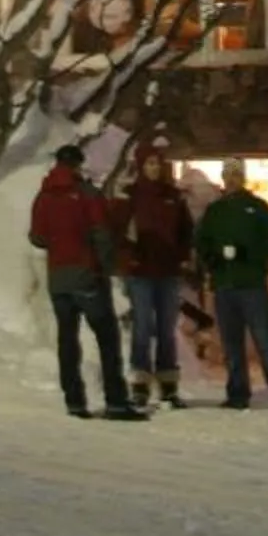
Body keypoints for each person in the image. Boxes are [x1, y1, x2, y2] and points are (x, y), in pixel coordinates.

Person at [29, 144, 147, 420]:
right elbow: (101, 234)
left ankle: (74, 401)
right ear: (78, 165)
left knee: (67, 340)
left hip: (58, 277)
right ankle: (116, 401)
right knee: (107, 337)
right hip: (87, 274)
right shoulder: (87, 195)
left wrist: (59, 244)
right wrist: (105, 267)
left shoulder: (43, 197)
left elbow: (37, 237)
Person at [192, 158, 268, 410]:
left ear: (243, 178)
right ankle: (238, 394)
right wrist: (211, 259)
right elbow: (201, 241)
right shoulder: (215, 211)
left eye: (236, 174)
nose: (232, 179)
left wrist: (249, 254)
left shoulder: (258, 208)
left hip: (252, 285)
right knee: (231, 344)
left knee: (265, 342)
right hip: (224, 285)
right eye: (228, 175)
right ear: (223, 179)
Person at [111, 146, 195, 408]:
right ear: (140, 166)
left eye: (157, 163)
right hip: (140, 273)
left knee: (166, 330)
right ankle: (140, 384)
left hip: (168, 272)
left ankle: (168, 386)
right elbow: (116, 232)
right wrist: (129, 258)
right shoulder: (130, 197)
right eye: (149, 164)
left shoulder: (173, 197)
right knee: (142, 329)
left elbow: (186, 231)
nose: (154, 168)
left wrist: (181, 255)